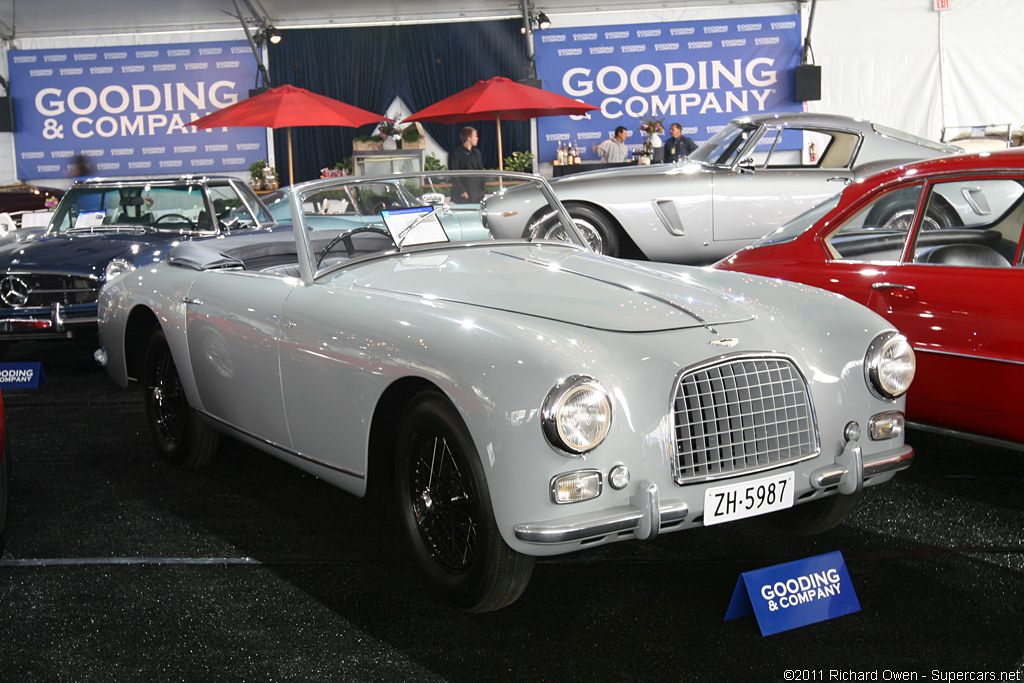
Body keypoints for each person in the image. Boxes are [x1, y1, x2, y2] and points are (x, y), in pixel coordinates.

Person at [449, 126, 486, 203]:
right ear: (468, 138)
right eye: (475, 136)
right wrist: (461, 191)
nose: (477, 138)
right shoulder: (456, 153)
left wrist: (482, 190)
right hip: (463, 196)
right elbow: (453, 174)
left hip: (477, 194)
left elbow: (481, 172)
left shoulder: (477, 153)